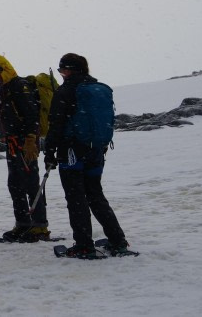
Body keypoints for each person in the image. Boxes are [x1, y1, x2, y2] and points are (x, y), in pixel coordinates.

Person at [44, 53, 134, 258]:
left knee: (76, 198)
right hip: (96, 150)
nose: (61, 74)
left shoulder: (66, 91)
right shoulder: (97, 89)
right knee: (95, 195)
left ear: (68, 70)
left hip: (72, 152)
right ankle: (117, 241)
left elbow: (55, 125)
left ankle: (84, 245)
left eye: (62, 70)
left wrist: (50, 152)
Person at [0, 55, 50, 242]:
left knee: (30, 183)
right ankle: (23, 223)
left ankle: (39, 227)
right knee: (15, 184)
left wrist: (31, 139)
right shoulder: (3, 91)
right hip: (13, 144)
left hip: (25, 144)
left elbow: (32, 116)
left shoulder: (19, 87)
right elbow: (0, 122)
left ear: (5, 70)